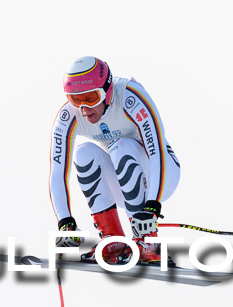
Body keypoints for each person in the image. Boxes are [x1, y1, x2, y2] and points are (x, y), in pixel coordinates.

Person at [49, 56, 181, 264]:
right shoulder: (69, 116)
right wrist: (65, 222)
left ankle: (147, 241)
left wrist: (152, 207)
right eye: (75, 99)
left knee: (120, 145)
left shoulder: (130, 97)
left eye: (91, 98)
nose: (84, 109)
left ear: (108, 90)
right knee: (83, 153)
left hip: (161, 176)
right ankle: (113, 241)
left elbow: (157, 153)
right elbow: (57, 173)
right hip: (123, 187)